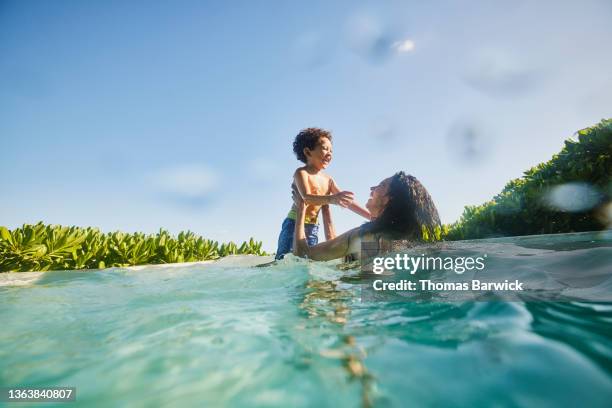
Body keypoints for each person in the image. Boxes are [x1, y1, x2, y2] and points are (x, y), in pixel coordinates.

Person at [292, 171, 441, 261]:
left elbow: (304, 256)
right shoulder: (410, 241)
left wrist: (301, 207)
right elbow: (339, 250)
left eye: (380, 185)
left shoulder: (366, 236)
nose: (372, 188)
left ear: (390, 199)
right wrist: (326, 208)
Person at [275, 128, 371, 260]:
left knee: (306, 259)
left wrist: (370, 217)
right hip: (294, 221)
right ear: (308, 152)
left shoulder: (328, 180)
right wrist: (332, 199)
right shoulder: (301, 173)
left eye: (331, 151)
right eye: (325, 149)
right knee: (284, 259)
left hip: (314, 226)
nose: (330, 154)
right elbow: (306, 197)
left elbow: (348, 202)